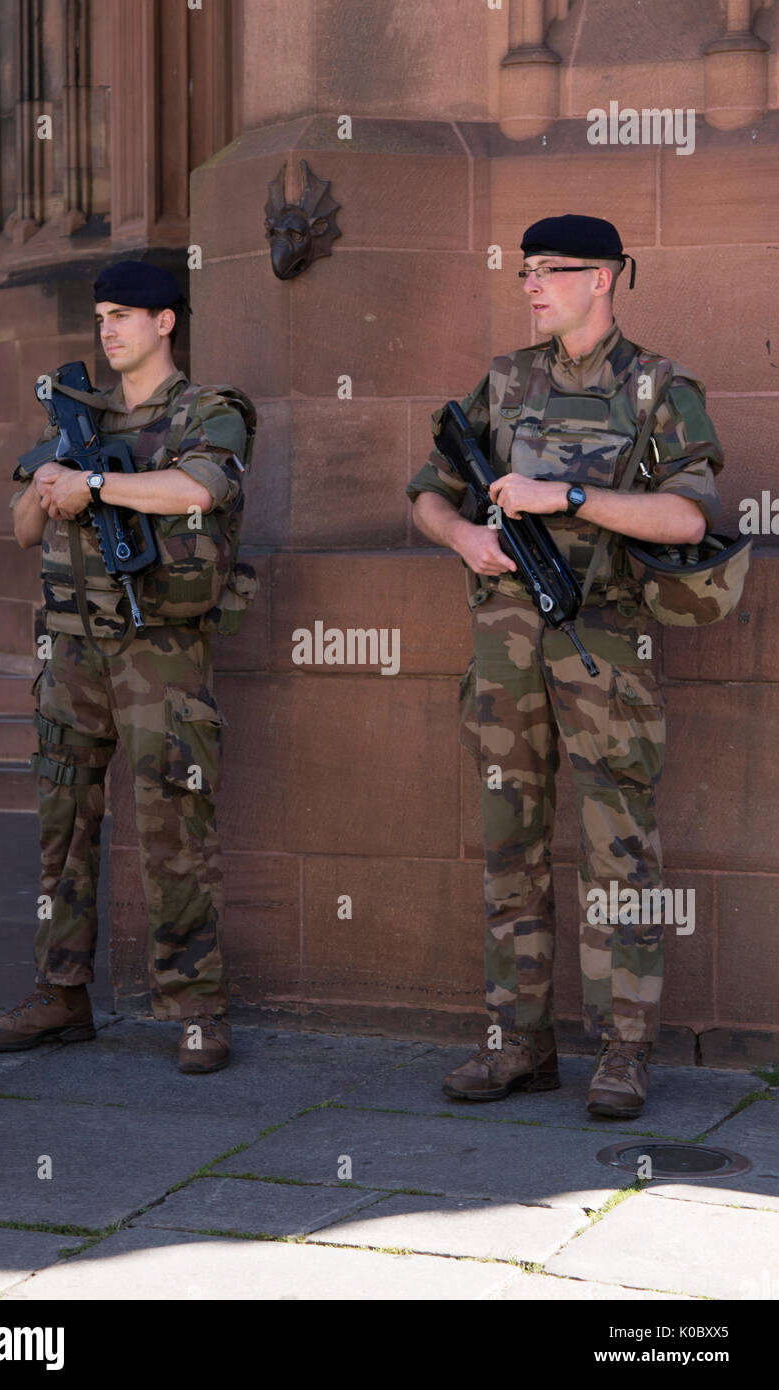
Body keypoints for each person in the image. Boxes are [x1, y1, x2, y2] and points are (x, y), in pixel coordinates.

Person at [406, 215, 722, 1118]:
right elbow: (427, 488)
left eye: (553, 269)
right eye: (525, 270)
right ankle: (516, 1043)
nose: (533, 283)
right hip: (505, 661)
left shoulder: (661, 387)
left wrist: (569, 496)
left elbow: (690, 520)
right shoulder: (504, 382)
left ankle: (624, 1050)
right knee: (510, 848)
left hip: (604, 655)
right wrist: (465, 534)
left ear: (607, 278)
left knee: (619, 852)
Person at [0, 260, 256, 1074]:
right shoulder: (77, 414)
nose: (108, 328)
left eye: (125, 314)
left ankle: (197, 1009)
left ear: (166, 321)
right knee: (63, 830)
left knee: (174, 829)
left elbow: (202, 490)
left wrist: (95, 481)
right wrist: (50, 482)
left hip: (158, 653)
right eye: (101, 314)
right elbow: (27, 527)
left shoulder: (209, 410)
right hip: (70, 651)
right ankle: (60, 992)